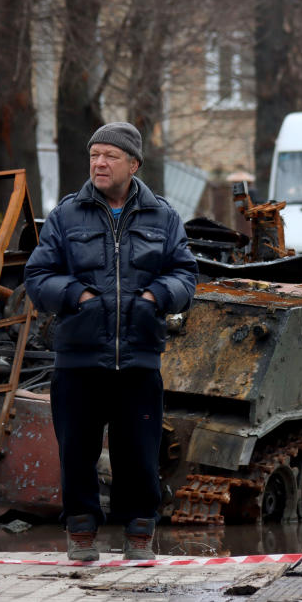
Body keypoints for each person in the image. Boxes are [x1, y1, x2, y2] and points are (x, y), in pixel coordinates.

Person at [23, 122, 198, 561]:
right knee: (76, 452)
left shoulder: (164, 216)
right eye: (94, 155)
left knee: (139, 453)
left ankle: (139, 534)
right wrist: (77, 296)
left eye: (110, 156)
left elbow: (185, 273)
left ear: (133, 164)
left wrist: (156, 296)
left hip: (139, 357)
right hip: (78, 359)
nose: (99, 163)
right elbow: (37, 276)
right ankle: (81, 534)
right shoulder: (65, 215)